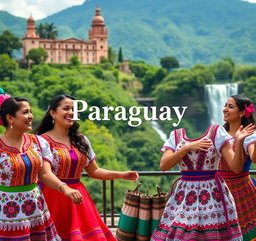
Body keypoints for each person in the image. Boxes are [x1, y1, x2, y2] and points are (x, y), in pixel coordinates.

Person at [35, 94, 139, 241]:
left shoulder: (81, 140)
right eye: (66, 108)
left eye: (74, 109)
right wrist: (65, 188)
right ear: (52, 112)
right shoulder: (41, 140)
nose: (71, 112)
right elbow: (44, 174)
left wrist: (121, 174)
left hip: (78, 197)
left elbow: (95, 171)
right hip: (52, 196)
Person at [0, 90, 83, 240]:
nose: (31, 116)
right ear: (10, 118)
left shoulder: (38, 142)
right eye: (25, 112)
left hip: (35, 207)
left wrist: (65, 188)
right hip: (6, 211)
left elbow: (45, 174)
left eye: (31, 111)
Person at [150, 122, 254, 241]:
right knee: (181, 231)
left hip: (213, 195)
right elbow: (164, 166)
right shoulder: (175, 135)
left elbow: (236, 168)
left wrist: (239, 141)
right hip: (185, 195)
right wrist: (187, 148)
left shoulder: (217, 132)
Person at [219, 94, 256, 240]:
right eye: (225, 105)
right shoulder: (219, 134)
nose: (225, 109)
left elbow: (254, 157)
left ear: (242, 113)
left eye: (230, 106)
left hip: (242, 193)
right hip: (219, 191)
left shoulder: (250, 136)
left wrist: (240, 140)